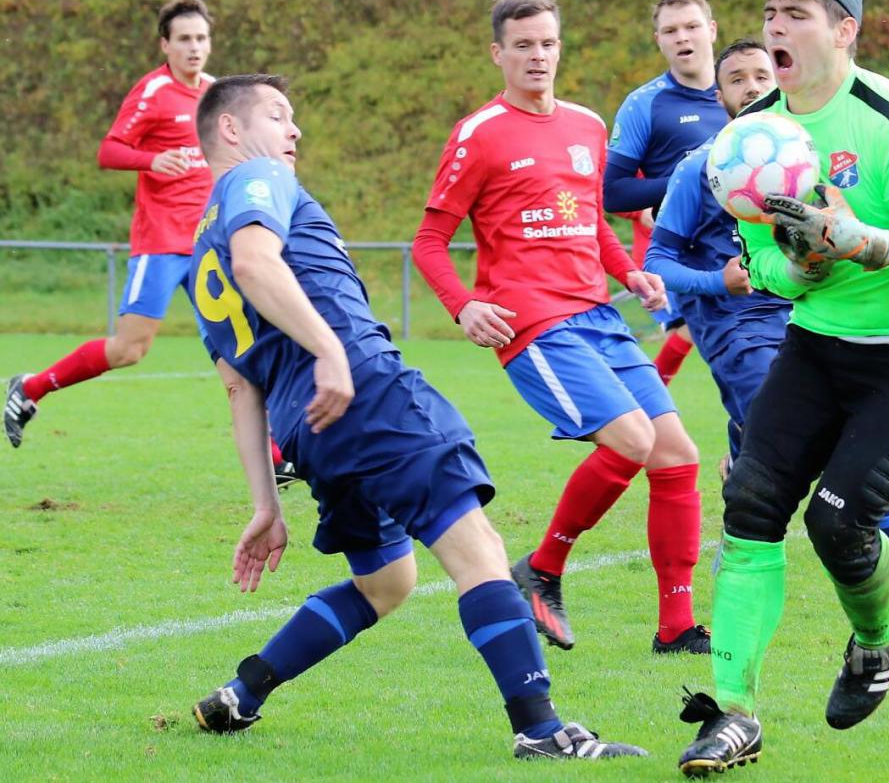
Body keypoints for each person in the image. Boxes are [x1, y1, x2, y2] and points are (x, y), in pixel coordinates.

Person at [187, 73, 646, 762]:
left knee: (387, 581)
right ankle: (541, 729)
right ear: (230, 130)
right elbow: (257, 262)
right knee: (481, 551)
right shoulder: (253, 177)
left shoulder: (198, 254)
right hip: (364, 393)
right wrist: (330, 349)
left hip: (306, 427)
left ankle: (242, 692)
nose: (294, 131)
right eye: (278, 115)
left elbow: (237, 388)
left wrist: (264, 504)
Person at [675, 0, 889, 777]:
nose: (775, 25)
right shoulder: (749, 141)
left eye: (797, 13)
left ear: (843, 31)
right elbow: (760, 266)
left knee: (837, 521)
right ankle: (732, 712)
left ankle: (882, 634)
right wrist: (801, 266)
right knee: (748, 506)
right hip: (817, 344)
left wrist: (859, 241)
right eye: (770, 12)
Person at [413, 0, 709, 657]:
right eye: (522, 45)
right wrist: (464, 303)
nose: (537, 55)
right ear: (499, 53)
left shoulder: (585, 125)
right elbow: (429, 241)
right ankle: (542, 568)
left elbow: (590, 219)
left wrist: (627, 272)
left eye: (546, 42)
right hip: (535, 322)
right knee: (632, 440)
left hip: (598, 313)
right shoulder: (478, 132)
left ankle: (675, 627)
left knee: (676, 454)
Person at [644, 37, 889, 608]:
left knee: (873, 422)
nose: (752, 87)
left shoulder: (805, 158)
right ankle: (746, 526)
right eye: (737, 79)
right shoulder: (699, 168)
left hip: (799, 316)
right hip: (736, 327)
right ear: (719, 96)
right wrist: (721, 280)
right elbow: (657, 260)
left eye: (761, 74)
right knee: (777, 466)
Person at [4, 0, 216, 443]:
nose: (193, 47)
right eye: (183, 39)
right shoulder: (154, 92)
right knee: (129, 349)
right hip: (161, 241)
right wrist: (153, 160)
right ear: (165, 45)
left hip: (207, 243)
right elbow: (109, 150)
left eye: (201, 38)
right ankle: (30, 388)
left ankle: (279, 456)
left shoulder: (216, 94)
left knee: (241, 350)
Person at [603, 0, 729, 387]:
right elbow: (613, 193)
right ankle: (650, 400)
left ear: (711, 30)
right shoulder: (645, 104)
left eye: (691, 26)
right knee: (744, 370)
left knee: (762, 376)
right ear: (658, 39)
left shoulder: (751, 93)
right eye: (670, 30)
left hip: (755, 256)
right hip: (689, 263)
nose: (682, 37)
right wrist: (688, 179)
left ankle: (738, 449)